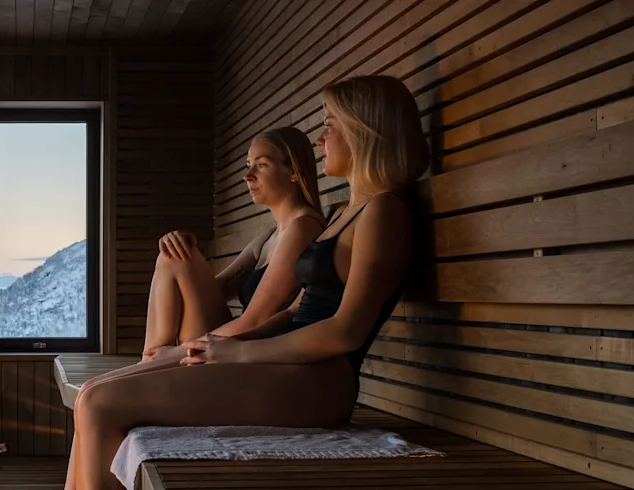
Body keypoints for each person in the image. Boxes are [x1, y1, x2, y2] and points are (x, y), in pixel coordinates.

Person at [64, 75, 430, 490]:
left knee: (99, 403)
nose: (320, 139)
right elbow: (296, 310)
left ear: (366, 130)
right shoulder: (347, 210)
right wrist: (227, 346)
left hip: (319, 380)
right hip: (284, 365)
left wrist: (238, 354)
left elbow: (346, 331)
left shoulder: (383, 211)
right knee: (90, 394)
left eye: (330, 124)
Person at [138, 127, 326, 363]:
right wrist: (177, 239)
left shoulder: (303, 228)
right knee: (174, 254)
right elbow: (212, 288)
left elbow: (256, 320)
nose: (248, 175)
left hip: (253, 356)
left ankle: (148, 365)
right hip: (230, 344)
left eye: (261, 165)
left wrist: (175, 352)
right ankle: (147, 364)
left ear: (294, 172)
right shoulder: (270, 234)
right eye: (248, 164)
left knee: (175, 257)